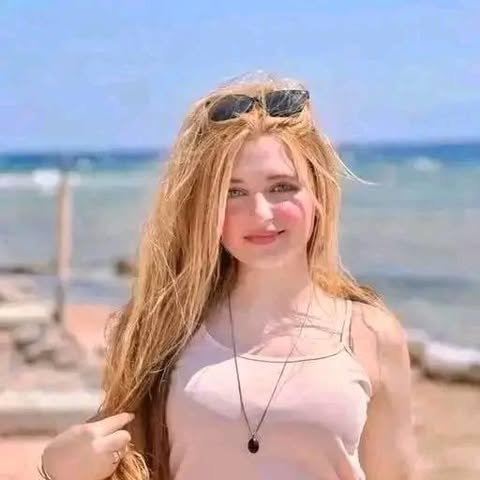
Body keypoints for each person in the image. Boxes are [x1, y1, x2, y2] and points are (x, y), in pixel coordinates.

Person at [40, 72, 418, 480]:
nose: (260, 213)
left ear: (318, 195)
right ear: (204, 207)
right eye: (233, 192)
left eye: (281, 187)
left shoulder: (369, 335)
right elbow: (107, 449)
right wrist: (56, 465)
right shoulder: (164, 328)